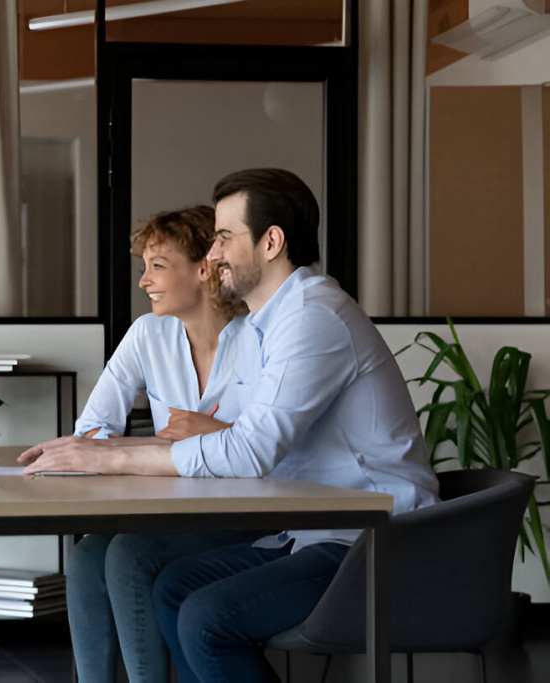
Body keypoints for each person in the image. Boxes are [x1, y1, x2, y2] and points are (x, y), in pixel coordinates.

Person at [23, 168, 440, 683]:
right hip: (310, 532)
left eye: (223, 237)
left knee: (205, 617)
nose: (213, 252)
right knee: (173, 588)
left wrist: (112, 455)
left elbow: (248, 450)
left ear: (271, 242)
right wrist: (132, 446)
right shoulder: (270, 322)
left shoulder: (312, 318)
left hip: (371, 542)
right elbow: (232, 434)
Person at [20, 206, 259, 683]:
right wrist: (154, 445)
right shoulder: (148, 334)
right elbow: (92, 430)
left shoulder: (256, 337)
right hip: (173, 512)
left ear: (205, 267)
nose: (143, 281)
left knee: (129, 554)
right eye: (144, 267)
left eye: (158, 266)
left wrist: (211, 433)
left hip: (251, 518)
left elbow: (265, 447)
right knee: (86, 556)